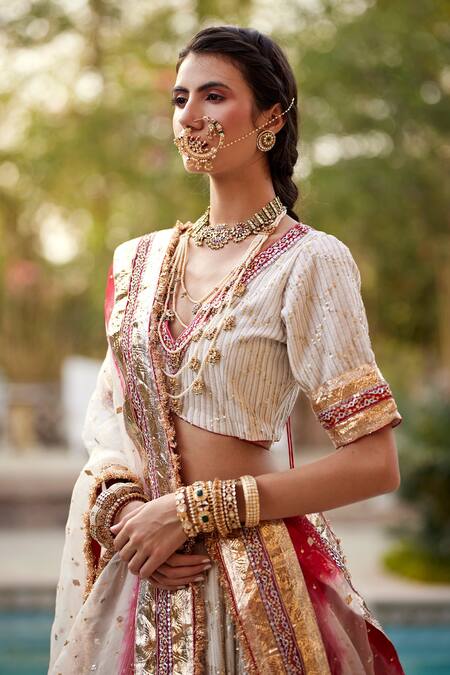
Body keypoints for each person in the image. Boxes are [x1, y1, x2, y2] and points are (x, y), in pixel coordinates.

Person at [48, 25, 406, 674]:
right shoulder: (138, 261)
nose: (190, 116)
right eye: (180, 99)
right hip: (147, 574)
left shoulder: (309, 263)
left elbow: (375, 463)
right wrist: (121, 506)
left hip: (256, 586)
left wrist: (195, 507)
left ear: (272, 117)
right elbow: (108, 424)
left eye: (214, 96)